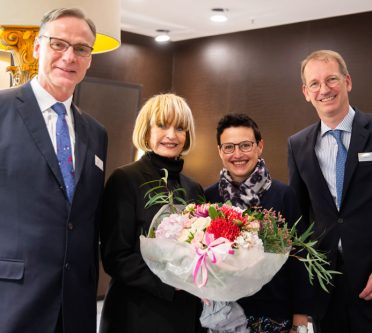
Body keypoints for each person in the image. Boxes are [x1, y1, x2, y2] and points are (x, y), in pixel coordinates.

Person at [0, 8, 107, 333]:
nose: (69, 57)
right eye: (58, 44)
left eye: (81, 49)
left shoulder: (96, 132)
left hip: (77, 304)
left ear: (89, 60)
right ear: (37, 47)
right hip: (12, 298)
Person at [99, 93, 205, 333]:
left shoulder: (194, 188)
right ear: (146, 131)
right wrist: (172, 283)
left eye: (180, 127)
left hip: (186, 314)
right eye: (162, 125)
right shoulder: (125, 179)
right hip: (136, 314)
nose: (172, 135)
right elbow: (116, 256)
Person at [288, 49, 372, 333]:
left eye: (331, 79)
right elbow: (298, 220)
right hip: (324, 282)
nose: (324, 89)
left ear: (347, 81)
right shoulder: (297, 144)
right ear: (306, 92)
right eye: (314, 83)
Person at [205, 113, 313, 333]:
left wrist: (300, 319)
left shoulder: (283, 195)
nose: (237, 154)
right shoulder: (209, 199)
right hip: (223, 316)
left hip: (275, 314)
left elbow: (301, 258)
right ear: (219, 151)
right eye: (229, 147)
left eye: (245, 145)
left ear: (259, 146)